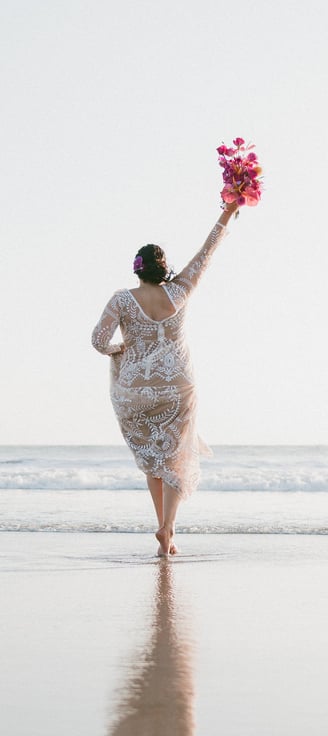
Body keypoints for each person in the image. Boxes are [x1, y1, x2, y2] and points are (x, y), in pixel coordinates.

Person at [91, 202, 238, 557]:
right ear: (165, 268)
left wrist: (121, 350)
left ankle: (165, 535)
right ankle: (168, 529)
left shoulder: (122, 300)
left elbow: (98, 341)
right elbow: (207, 251)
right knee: (175, 458)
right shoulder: (180, 291)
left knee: (153, 460)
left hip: (135, 392)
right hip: (178, 388)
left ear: (137, 269)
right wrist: (228, 211)